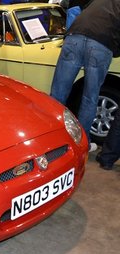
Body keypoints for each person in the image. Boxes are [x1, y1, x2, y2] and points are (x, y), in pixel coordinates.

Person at [50, 0, 120, 152]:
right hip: (101, 44)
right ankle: (83, 144)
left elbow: (78, 12)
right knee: (90, 98)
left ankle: (51, 139)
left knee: (58, 93)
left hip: (74, 37)